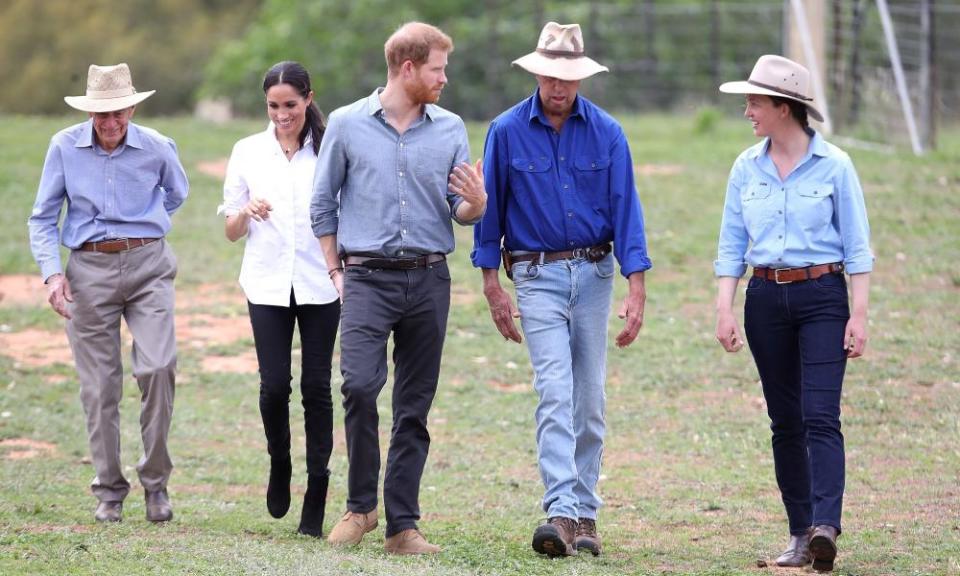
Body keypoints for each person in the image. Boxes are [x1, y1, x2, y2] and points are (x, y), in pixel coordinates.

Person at [471, 22, 652, 558]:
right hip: (534, 275)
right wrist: (490, 286)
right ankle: (560, 512)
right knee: (554, 392)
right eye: (550, 75)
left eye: (568, 77)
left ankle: (586, 512)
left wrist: (635, 285)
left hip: (594, 275)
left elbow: (627, 210)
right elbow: (490, 212)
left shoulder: (608, 132)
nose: (559, 86)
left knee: (589, 399)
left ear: (580, 78)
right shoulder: (504, 131)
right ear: (537, 74)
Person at [310, 21, 486, 554]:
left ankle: (402, 526)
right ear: (407, 69)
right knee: (359, 387)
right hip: (364, 278)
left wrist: (476, 203)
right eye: (438, 69)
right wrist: (336, 273)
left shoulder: (451, 127)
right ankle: (360, 508)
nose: (445, 79)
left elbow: (460, 211)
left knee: (414, 405)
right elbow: (322, 205)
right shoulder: (345, 124)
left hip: (430, 278)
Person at [714, 55, 873, 573]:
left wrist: (860, 315)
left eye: (755, 102)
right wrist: (725, 308)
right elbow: (731, 244)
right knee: (784, 421)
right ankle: (801, 535)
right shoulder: (745, 167)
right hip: (765, 301)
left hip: (823, 296)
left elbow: (858, 247)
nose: (748, 111)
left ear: (785, 107)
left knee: (819, 415)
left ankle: (827, 526)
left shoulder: (836, 166)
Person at [27, 63, 189, 523]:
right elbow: (42, 217)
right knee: (99, 388)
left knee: (158, 367)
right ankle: (110, 490)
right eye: (102, 115)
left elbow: (177, 193)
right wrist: (52, 275)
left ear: (132, 107)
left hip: (148, 267)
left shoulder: (158, 147)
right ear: (89, 112)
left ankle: (156, 485)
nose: (111, 123)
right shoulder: (63, 147)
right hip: (87, 271)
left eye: (119, 112)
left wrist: (143, 223)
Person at [219, 61, 340, 537]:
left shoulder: (330, 149)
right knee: (273, 387)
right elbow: (230, 231)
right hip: (267, 283)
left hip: (321, 283)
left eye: (290, 105)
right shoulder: (248, 151)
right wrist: (245, 212)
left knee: (316, 388)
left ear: (308, 99)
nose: (281, 114)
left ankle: (318, 489)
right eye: (273, 106)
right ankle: (279, 463)